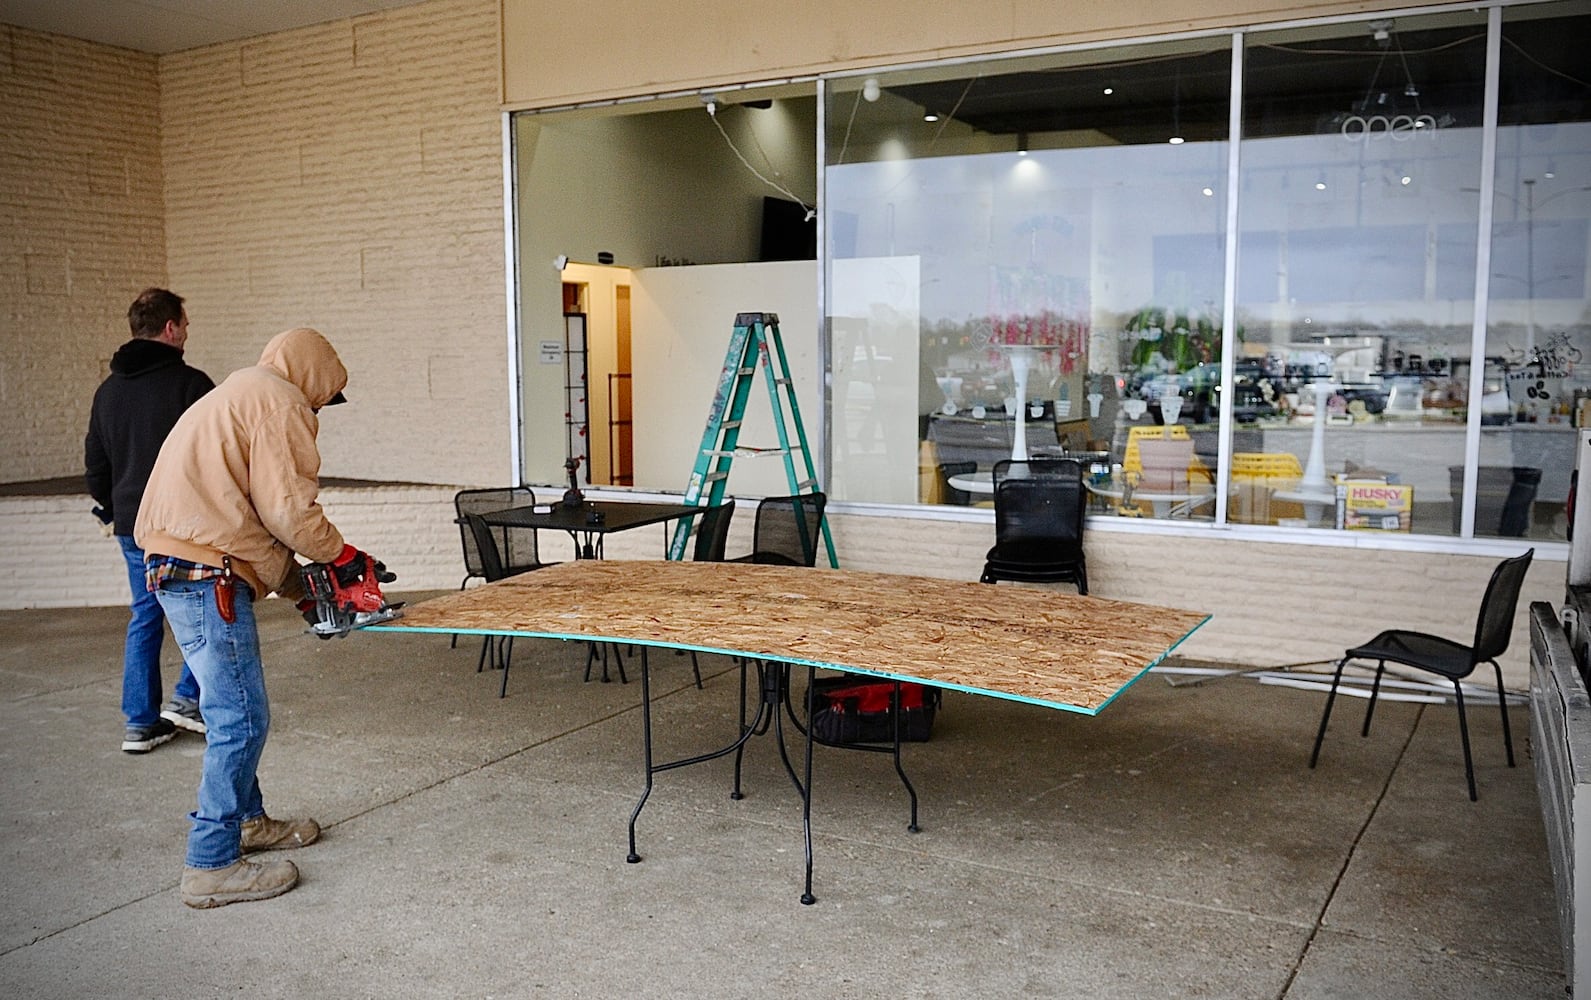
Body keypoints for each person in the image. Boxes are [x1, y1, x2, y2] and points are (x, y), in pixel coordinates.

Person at [136, 326, 382, 909]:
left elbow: (250, 521)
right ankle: (210, 862)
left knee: (235, 712)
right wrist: (346, 559)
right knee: (240, 719)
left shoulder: (242, 392)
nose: (322, 406)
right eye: (326, 396)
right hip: (206, 575)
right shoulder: (281, 402)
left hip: (186, 565)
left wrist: (305, 592)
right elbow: (291, 513)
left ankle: (247, 821)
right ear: (315, 377)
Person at [85, 288, 215, 753]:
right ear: (169, 328)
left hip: (131, 526)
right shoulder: (191, 385)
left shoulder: (108, 391)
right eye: (185, 325)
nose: (186, 334)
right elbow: (217, 458)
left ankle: (140, 722)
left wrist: (116, 508)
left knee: (146, 615)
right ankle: (187, 698)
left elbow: (95, 466)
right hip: (183, 526)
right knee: (204, 609)